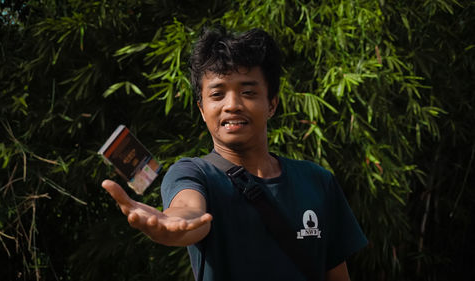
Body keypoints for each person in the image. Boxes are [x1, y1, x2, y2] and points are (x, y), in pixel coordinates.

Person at [102, 27, 367, 281]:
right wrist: (171, 224)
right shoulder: (193, 174)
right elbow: (190, 212)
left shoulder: (317, 181)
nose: (232, 105)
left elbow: (336, 274)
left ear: (272, 103)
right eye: (217, 94)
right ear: (202, 109)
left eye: (248, 92)